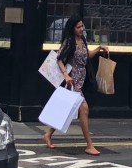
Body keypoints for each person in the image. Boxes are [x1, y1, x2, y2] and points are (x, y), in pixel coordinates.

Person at [42, 16, 110, 156]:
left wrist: (99, 48)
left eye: (82, 26)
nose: (81, 29)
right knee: (84, 109)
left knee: (65, 108)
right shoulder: (69, 41)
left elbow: (86, 56)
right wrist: (66, 75)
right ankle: (89, 145)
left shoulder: (82, 40)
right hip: (72, 81)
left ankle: (48, 134)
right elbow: (59, 59)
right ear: (72, 28)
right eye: (78, 27)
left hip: (81, 79)